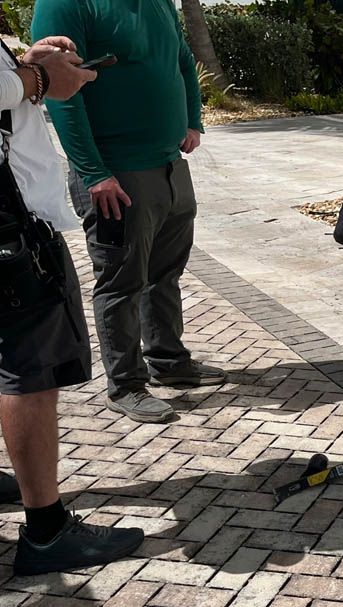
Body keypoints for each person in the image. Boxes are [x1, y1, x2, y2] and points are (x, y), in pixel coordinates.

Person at [32, 0, 226, 425]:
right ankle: (126, 385)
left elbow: (180, 58)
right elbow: (62, 95)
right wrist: (93, 173)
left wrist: (193, 119)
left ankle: (169, 362)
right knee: (122, 280)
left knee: (165, 272)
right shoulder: (66, 5)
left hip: (169, 165)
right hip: (115, 173)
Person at [0, 33, 144, 574]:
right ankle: (45, 533)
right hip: (11, 226)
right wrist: (38, 80)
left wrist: (22, 65)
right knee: (27, 373)